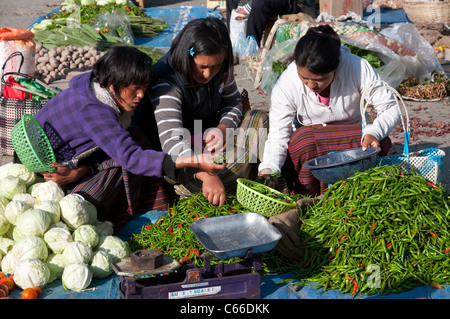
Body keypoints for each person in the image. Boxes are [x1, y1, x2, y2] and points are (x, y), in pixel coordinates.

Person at [31, 46, 225, 230]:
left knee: (137, 137)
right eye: (135, 88)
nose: (141, 95)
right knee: (122, 168)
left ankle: (152, 207)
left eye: (144, 87)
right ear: (112, 85)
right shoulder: (94, 110)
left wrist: (83, 170)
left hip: (73, 163)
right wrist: (195, 162)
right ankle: (118, 219)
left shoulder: (95, 85)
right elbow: (131, 158)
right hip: (51, 178)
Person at [133, 17, 268, 206]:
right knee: (241, 163)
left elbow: (234, 101)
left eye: (215, 66)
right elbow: (172, 144)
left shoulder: (220, 69)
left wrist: (222, 128)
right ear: (187, 56)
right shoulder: (166, 84)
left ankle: (245, 172)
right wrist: (205, 174)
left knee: (259, 119)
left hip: (207, 142)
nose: (207, 74)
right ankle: (211, 184)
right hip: (181, 161)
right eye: (202, 66)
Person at [258, 25, 401, 196]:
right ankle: (310, 197)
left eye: (319, 80)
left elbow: (390, 107)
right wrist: (269, 168)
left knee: (381, 142)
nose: (311, 86)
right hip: (310, 147)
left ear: (336, 67)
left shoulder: (357, 67)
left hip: (352, 139)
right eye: (304, 78)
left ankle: (357, 194)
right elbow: (278, 135)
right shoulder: (286, 83)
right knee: (303, 140)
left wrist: (374, 132)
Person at [226, 0, 317, 46]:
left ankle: (251, 49)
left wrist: (247, 7)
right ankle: (234, 46)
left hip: (290, 2)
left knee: (259, 4)